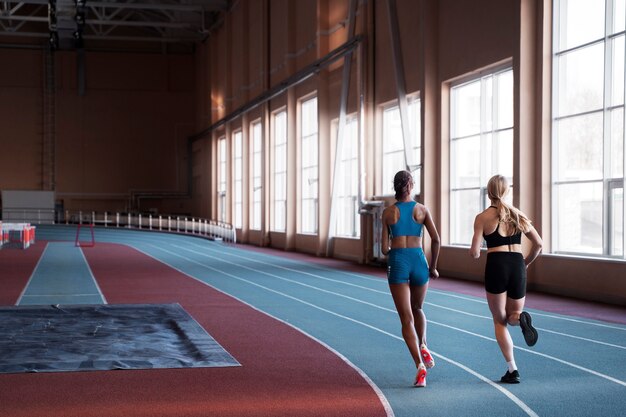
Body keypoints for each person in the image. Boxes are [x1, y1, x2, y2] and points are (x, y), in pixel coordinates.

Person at [469, 174, 542, 384]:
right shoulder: (518, 215)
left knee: (499, 321)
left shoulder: (482, 217)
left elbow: (474, 253)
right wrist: (525, 263)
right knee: (513, 315)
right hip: (518, 265)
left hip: (496, 265)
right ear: (507, 190)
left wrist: (478, 247)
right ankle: (521, 319)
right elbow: (539, 244)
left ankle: (513, 369)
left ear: (488, 191)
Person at [381, 170, 440, 388]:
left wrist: (393, 249)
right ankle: (424, 343)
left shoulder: (388, 213)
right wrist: (433, 267)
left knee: (406, 319)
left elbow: (383, 248)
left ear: (395, 187)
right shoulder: (422, 210)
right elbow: (436, 239)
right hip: (419, 261)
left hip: (398, 262)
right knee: (418, 308)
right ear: (411, 185)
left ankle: (419, 365)